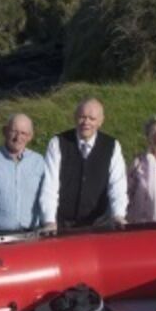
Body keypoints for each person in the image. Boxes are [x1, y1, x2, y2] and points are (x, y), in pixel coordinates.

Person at [41, 97, 128, 230]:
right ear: (75, 117)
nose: (86, 122)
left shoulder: (112, 146)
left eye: (92, 118)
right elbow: (49, 185)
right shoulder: (57, 143)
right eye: (82, 117)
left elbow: (117, 185)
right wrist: (49, 220)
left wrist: (118, 215)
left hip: (99, 224)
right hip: (61, 223)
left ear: (100, 121)